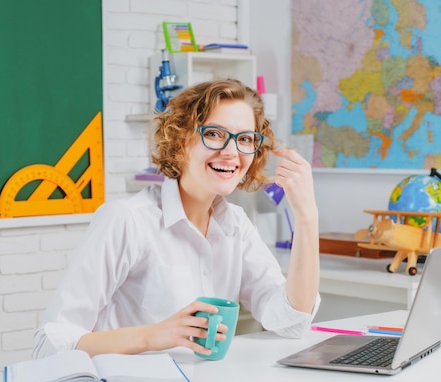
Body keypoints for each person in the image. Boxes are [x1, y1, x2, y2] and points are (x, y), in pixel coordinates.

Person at [33, 78, 320, 359]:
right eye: (214, 134)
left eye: (244, 139)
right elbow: (51, 344)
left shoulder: (236, 226)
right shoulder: (127, 220)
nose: (231, 152)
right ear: (181, 139)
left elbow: (290, 322)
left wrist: (307, 217)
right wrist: (155, 335)